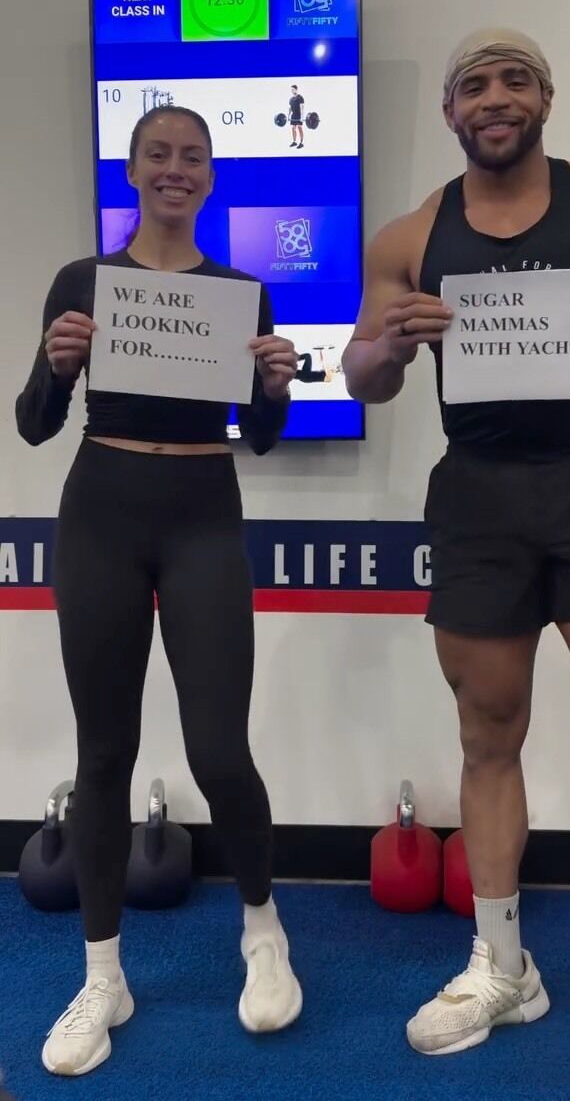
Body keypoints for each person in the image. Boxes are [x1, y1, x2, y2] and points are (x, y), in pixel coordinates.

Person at [342, 29, 570, 1090]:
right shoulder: (409, 235)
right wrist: (391, 344)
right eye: (475, 85)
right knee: (487, 733)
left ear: (545, 98)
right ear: (452, 112)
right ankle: (503, 965)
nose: (495, 98)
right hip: (478, 499)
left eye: (516, 80)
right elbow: (362, 370)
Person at [16, 105, 302, 1077]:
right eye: (158, 155)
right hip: (101, 512)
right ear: (133, 171)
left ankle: (263, 931)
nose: (175, 168)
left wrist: (275, 387)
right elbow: (33, 422)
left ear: (210, 177)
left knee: (220, 748)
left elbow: (260, 436)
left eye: (192, 157)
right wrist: (56, 367)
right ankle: (104, 975)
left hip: (202, 515)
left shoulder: (241, 293)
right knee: (104, 752)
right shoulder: (83, 282)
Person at [289, 85, 305, 150]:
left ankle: (301, 143)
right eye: (291, 90)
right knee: (293, 128)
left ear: (296, 89)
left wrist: (302, 117)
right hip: (293, 115)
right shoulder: (291, 99)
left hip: (299, 115)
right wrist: (288, 115)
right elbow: (290, 108)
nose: (292, 91)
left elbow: (302, 108)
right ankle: (294, 142)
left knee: (299, 128)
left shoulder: (300, 97)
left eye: (293, 89)